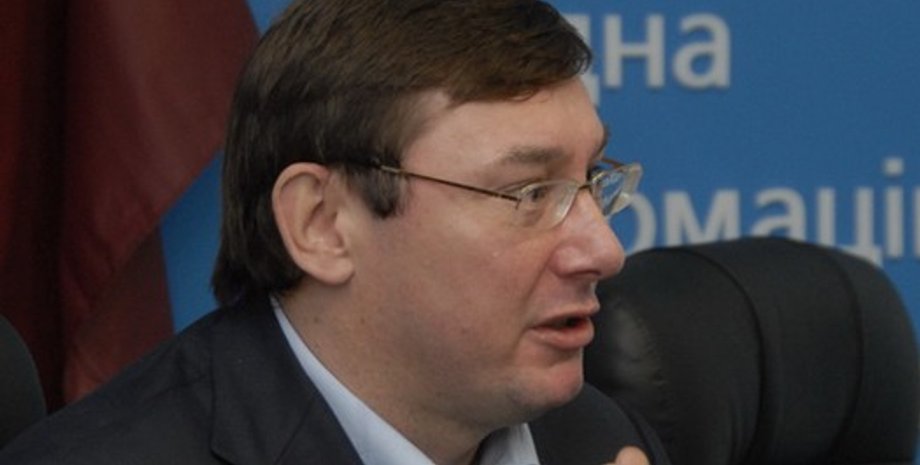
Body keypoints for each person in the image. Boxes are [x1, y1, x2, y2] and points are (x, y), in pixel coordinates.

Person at [0, 1, 669, 464]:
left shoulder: (596, 437)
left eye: (591, 180)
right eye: (529, 193)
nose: (604, 251)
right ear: (321, 224)